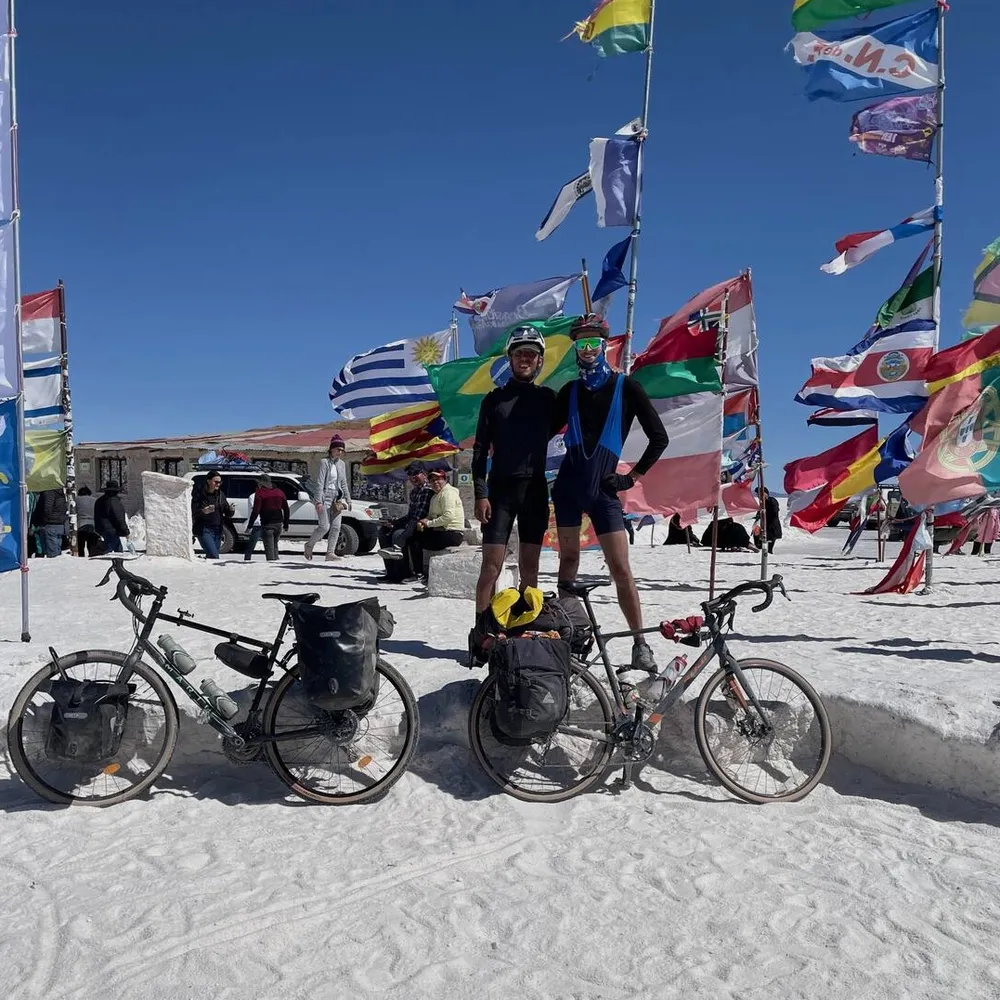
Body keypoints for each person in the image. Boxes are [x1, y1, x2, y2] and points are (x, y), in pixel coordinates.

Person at [550, 314, 669, 672]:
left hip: (604, 493)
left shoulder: (627, 387)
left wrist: (631, 478)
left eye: (592, 343)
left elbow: (659, 438)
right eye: (580, 344)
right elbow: (539, 431)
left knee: (621, 568)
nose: (586, 350)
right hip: (568, 489)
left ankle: (640, 643)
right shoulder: (568, 391)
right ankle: (566, 633)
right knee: (567, 563)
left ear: (605, 346)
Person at [470, 326, 555, 648]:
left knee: (530, 567)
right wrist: (480, 493)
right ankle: (481, 632)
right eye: (519, 353)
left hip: (534, 491)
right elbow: (479, 451)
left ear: (539, 361)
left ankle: (524, 629)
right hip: (500, 492)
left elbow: (581, 419)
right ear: (510, 358)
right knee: (490, 566)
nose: (525, 358)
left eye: (531, 354)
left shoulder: (548, 399)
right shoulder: (494, 400)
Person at [379, 462, 434, 579]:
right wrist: (394, 522)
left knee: (398, 535)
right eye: (410, 474)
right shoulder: (414, 492)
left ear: (424, 474)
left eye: (415, 474)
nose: (413, 477)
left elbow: (419, 515)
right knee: (384, 532)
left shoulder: (427, 490)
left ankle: (402, 573)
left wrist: (404, 532)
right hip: (413, 523)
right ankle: (391, 572)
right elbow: (410, 515)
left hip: (425, 526)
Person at [408, 467, 465, 580]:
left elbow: (448, 517)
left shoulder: (448, 493)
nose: (435, 482)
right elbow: (431, 515)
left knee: (414, 538)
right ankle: (416, 571)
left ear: (445, 479)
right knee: (414, 532)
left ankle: (419, 573)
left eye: (438, 479)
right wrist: (424, 521)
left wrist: (429, 523)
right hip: (440, 530)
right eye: (432, 480)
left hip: (452, 534)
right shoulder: (435, 496)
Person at [306, 434, 350, 562]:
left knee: (336, 526)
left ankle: (330, 553)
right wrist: (318, 501)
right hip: (325, 497)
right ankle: (309, 545)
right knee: (324, 526)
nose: (340, 452)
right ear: (331, 449)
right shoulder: (324, 462)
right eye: (338, 449)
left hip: (337, 497)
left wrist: (348, 499)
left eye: (342, 450)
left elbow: (343, 482)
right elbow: (320, 482)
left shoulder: (341, 464)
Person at [243, 474, 289, 562]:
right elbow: (286, 509)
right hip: (279, 524)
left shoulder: (260, 493)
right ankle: (276, 564)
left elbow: (256, 511)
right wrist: (286, 524)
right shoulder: (280, 492)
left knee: (269, 551)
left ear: (262, 483)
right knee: (275, 545)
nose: (258, 485)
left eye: (259, 483)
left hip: (267, 524)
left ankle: (272, 566)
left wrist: (250, 526)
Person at [191, 472, 234, 559]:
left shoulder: (221, 495)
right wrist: (203, 511)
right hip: (204, 529)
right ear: (208, 481)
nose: (218, 484)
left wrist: (231, 510)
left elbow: (227, 513)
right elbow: (194, 511)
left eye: (220, 482)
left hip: (218, 529)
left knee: (211, 557)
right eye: (216, 482)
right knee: (214, 555)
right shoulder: (199, 495)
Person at [94, 480, 130, 553]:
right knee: (112, 549)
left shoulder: (99, 500)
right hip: (111, 529)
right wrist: (125, 531)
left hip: (101, 528)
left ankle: (117, 561)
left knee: (117, 548)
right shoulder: (113, 501)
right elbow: (119, 517)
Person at [31, 488, 68, 557]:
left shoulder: (49, 492)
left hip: (50, 523)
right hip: (59, 523)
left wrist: (42, 521)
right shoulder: (60, 493)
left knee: (52, 552)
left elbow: (47, 508)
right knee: (57, 550)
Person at [75, 486, 104, 557]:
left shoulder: (76, 499)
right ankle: (92, 557)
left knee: (80, 545)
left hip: (80, 525)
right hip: (93, 526)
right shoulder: (95, 500)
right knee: (92, 546)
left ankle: (81, 558)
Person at [754, 487, 782, 555]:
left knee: (769, 546)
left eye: (759, 494)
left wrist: (764, 511)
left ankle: (768, 556)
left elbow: (775, 511)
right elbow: (759, 513)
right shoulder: (762, 503)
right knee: (759, 543)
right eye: (757, 494)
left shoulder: (772, 500)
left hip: (772, 526)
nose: (758, 496)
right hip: (764, 525)